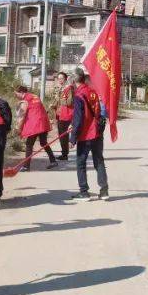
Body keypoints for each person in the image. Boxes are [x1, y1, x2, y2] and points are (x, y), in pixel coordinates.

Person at [68, 69, 108, 201]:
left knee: (80, 163)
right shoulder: (92, 91)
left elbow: (79, 119)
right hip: (97, 131)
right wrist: (73, 124)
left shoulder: (79, 95)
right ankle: (104, 191)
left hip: (86, 134)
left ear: (74, 80)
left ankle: (84, 192)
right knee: (99, 160)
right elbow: (93, 112)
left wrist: (72, 138)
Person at [14, 85, 57, 171]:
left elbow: (21, 116)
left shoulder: (24, 101)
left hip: (35, 124)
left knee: (29, 145)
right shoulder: (35, 96)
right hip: (43, 122)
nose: (15, 96)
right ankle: (53, 161)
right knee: (43, 142)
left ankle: (26, 166)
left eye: (16, 94)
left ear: (22, 92)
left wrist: (18, 129)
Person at [49, 71, 74, 160]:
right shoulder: (61, 89)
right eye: (58, 78)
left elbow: (70, 102)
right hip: (60, 114)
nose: (60, 80)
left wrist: (60, 100)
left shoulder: (69, 88)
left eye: (61, 78)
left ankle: (64, 154)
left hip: (66, 115)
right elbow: (59, 101)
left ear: (66, 79)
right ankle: (64, 153)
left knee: (63, 135)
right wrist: (54, 105)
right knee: (61, 135)